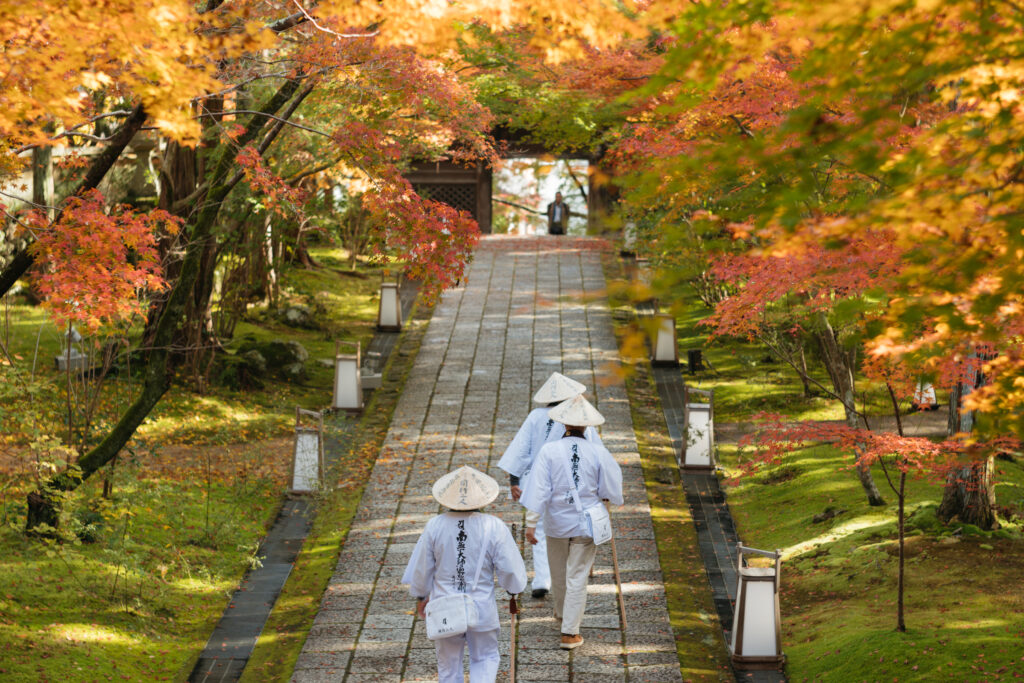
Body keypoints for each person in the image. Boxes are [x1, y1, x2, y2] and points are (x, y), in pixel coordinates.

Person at [402, 466, 527, 683]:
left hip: (445, 606)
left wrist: (422, 595)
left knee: (448, 665)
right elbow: (511, 570)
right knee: (486, 658)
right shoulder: (493, 526)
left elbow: (422, 567)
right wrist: (513, 589)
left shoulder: (435, 526)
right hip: (481, 608)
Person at [520, 394, 623, 650]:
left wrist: (532, 523)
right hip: (586, 524)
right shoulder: (597, 451)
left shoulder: (549, 451)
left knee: (558, 572)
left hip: (556, 522)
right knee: (577, 574)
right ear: (586, 426)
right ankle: (569, 631)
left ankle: (563, 614)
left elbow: (539, 489)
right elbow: (610, 489)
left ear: (564, 424)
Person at [497, 372, 603, 599]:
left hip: (535, 480)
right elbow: (596, 453)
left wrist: (514, 480)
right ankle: (567, 575)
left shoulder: (536, 416)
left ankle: (542, 579)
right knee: (571, 528)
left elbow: (521, 449)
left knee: (540, 529)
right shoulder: (579, 417)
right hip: (572, 483)